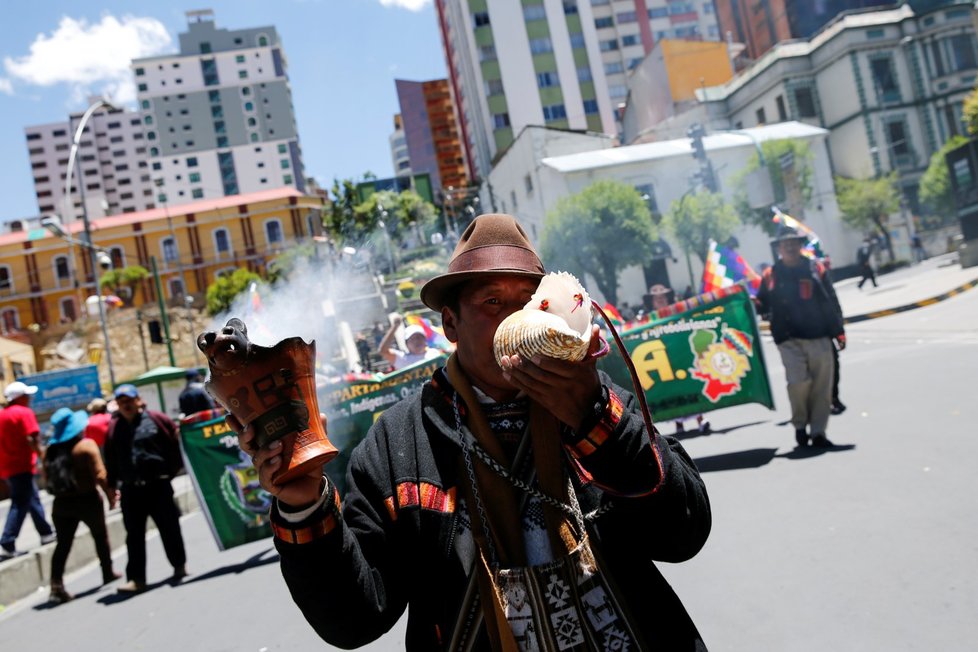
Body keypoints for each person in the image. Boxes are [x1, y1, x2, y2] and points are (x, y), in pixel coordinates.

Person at [235, 213, 712, 650]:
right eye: (492, 302)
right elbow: (353, 620)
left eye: (529, 302)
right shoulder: (396, 443)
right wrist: (302, 505)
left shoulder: (592, 395)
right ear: (450, 324)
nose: (517, 319)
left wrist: (595, 420)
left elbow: (684, 534)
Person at [757, 226, 846, 448]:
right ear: (779, 248)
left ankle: (818, 432)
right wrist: (749, 302)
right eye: (785, 244)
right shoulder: (770, 275)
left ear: (800, 245)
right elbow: (761, 303)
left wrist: (839, 330)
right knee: (798, 382)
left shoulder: (816, 269)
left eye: (794, 243)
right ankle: (799, 425)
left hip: (819, 335)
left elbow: (831, 299)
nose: (789, 247)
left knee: (821, 386)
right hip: (788, 339)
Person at [104, 384, 188, 593]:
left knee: (169, 527)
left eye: (129, 400)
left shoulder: (158, 420)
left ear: (138, 400)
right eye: (122, 402)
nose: (126, 405)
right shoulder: (114, 428)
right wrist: (111, 487)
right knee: (133, 536)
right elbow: (111, 459)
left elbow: (175, 446)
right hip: (132, 491)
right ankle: (136, 579)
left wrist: (169, 472)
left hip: (158, 486)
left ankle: (179, 566)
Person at [43, 408, 121, 604]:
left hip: (61, 504)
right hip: (87, 500)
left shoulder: (50, 452)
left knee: (63, 544)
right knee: (100, 536)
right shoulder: (85, 446)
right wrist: (111, 495)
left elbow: (46, 480)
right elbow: (100, 475)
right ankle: (107, 571)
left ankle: (56, 585)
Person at [1, 381, 56, 560]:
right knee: (20, 502)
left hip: (7, 467)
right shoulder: (24, 413)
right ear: (21, 397)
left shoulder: (2, 416)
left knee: (31, 498)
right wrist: (43, 459)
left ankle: (46, 532)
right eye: (27, 396)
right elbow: (33, 438)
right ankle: (8, 541)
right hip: (22, 465)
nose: (30, 399)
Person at [649, 284, 711, 436]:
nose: (660, 300)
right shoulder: (647, 318)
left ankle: (700, 420)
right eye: (657, 299)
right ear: (652, 301)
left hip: (679, 352)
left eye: (663, 297)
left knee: (689, 385)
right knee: (671, 387)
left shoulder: (676, 311)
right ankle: (678, 424)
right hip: (662, 356)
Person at [378, 317, 442, 371]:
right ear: (407, 344)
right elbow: (383, 351)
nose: (417, 341)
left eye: (419, 337)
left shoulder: (435, 354)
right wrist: (395, 326)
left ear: (425, 340)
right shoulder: (402, 358)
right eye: (413, 339)